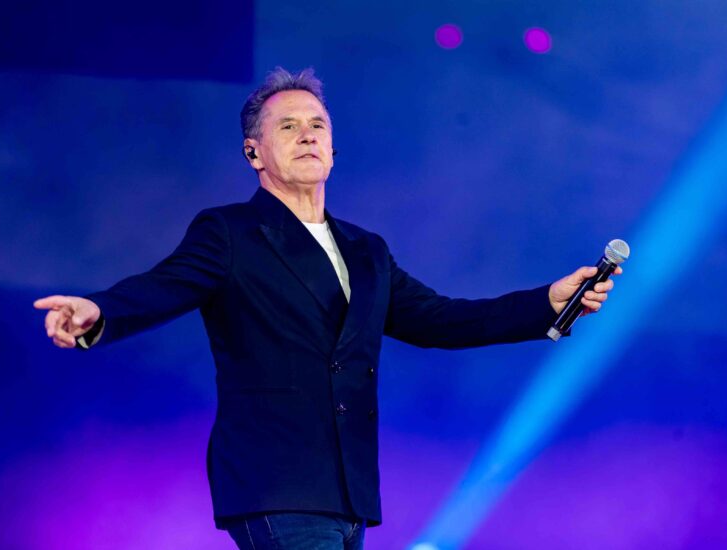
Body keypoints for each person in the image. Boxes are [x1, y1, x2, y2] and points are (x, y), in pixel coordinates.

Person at [34, 67, 620, 550]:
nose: (307, 135)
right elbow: (165, 285)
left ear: (334, 149)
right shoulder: (231, 233)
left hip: (347, 489)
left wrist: (546, 302)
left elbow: (441, 320)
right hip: (275, 479)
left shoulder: (367, 251)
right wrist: (98, 311)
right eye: (288, 126)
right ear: (254, 152)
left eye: (317, 125)